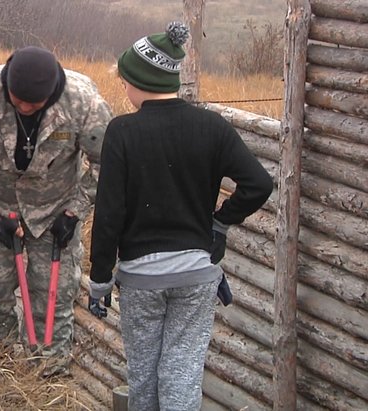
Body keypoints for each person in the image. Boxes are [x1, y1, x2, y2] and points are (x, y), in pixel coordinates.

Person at [88, 22, 274, 410]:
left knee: (144, 379)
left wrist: (101, 281)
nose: (123, 88)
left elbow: (108, 215)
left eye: (125, 80)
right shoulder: (211, 126)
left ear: (140, 80)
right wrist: (220, 223)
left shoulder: (122, 132)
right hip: (196, 276)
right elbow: (259, 184)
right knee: (181, 378)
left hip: (140, 280)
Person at [0, 46, 112, 377]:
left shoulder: (83, 102)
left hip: (56, 213)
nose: (22, 107)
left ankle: (47, 375)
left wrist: (75, 211)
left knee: (53, 298)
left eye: (31, 105)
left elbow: (108, 163)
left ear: (50, 96)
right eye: (16, 100)